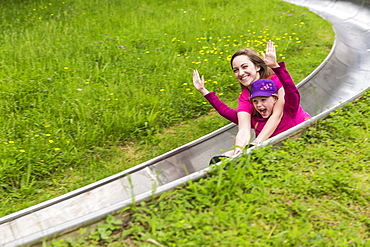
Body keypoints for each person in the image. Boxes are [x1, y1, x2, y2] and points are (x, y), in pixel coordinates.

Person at [193, 41, 287, 146]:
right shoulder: (245, 96)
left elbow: (277, 114)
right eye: (236, 70)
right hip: (268, 143)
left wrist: (256, 143)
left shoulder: (275, 81)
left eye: (245, 67)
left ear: (257, 67)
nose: (241, 73)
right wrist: (239, 149)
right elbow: (243, 128)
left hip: (291, 132)